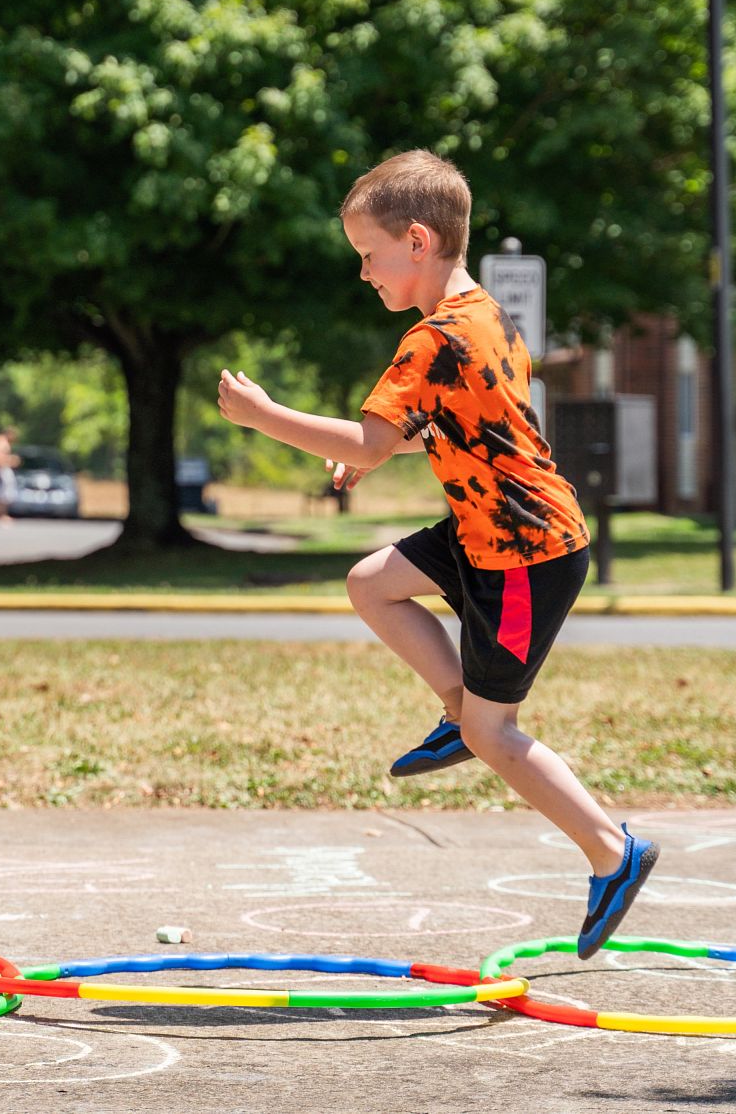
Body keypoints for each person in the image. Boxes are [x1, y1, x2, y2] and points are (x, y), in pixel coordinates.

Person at [215, 150, 658, 957]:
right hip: (486, 532)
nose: (362, 274)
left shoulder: (432, 341)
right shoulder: (485, 317)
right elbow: (468, 428)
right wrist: (385, 447)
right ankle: (458, 712)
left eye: (368, 255)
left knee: (498, 733)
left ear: (417, 242)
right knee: (371, 583)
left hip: (523, 553)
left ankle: (611, 850)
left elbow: (370, 440)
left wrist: (263, 415)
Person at [0, 425, 21, 523]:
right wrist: (11, 460)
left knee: (5, 493)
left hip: (3, 468)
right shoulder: (0, 442)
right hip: (1, 469)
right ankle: (0, 514)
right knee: (3, 493)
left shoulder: (2, 441)